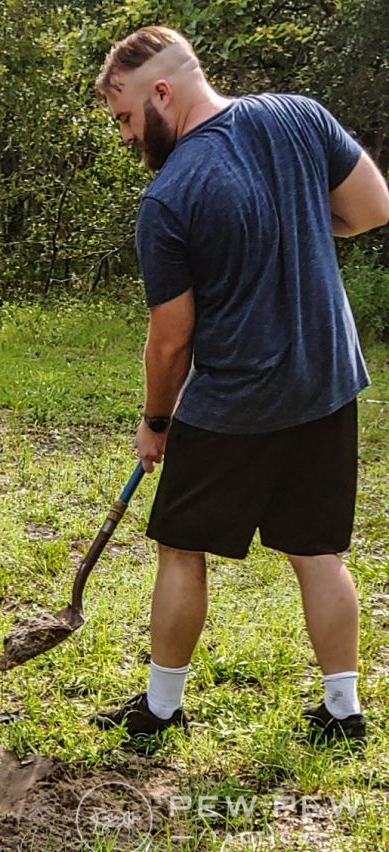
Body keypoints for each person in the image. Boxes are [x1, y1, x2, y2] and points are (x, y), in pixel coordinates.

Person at [90, 26, 389, 744]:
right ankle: (343, 712)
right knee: (317, 550)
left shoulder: (169, 198)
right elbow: (373, 209)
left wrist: (156, 423)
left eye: (126, 118)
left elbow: (172, 339)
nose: (128, 137)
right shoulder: (298, 115)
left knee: (180, 547)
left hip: (233, 403)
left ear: (162, 92)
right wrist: (296, 226)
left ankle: (162, 709)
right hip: (326, 383)